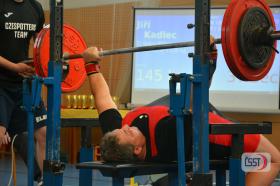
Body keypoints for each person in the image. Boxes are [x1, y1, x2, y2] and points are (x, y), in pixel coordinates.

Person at [81, 42, 280, 185]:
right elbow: (197, 103)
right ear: (138, 150)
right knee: (273, 160)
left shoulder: (115, 139)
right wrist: (209, 61)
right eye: (128, 133)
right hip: (217, 134)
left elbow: (103, 100)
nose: (124, 127)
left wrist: (90, 65)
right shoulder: (166, 137)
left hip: (182, 115)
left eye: (122, 129)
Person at [0, 0, 46, 184]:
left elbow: (41, 45)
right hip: (1, 84)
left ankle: (43, 180)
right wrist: (14, 67)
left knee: (43, 133)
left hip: (24, 84)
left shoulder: (35, 8)